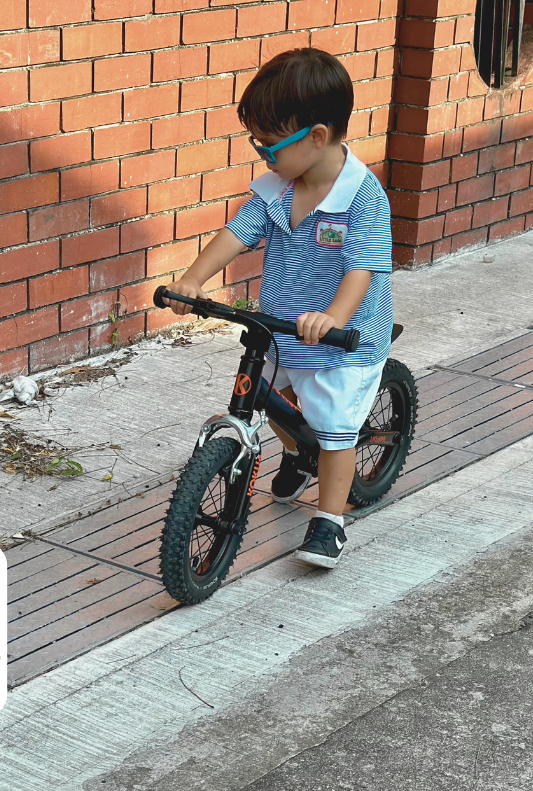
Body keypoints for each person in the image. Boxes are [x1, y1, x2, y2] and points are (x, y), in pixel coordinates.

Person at [167, 48, 393, 569]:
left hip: (344, 337)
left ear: (315, 137)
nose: (262, 156)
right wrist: (193, 280)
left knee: (336, 427)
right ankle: (294, 449)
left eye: (269, 146)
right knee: (266, 395)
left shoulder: (362, 197)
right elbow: (238, 231)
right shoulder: (278, 187)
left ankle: (330, 522)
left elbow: (362, 269)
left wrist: (333, 317)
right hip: (281, 326)